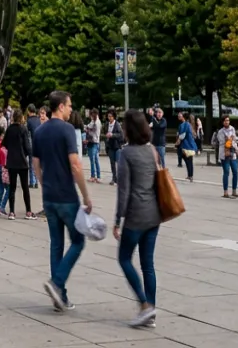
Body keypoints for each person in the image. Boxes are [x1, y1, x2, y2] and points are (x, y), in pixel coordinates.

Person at [32, 90, 93, 312]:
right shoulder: (67, 130)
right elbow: (75, 164)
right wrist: (86, 195)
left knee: (56, 244)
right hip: (67, 195)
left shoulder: (40, 131)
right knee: (78, 241)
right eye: (69, 106)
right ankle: (57, 283)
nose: (70, 110)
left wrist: (43, 183)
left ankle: (61, 298)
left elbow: (35, 163)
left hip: (49, 196)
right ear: (60, 107)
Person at [113, 109, 161, 329]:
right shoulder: (152, 151)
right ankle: (150, 310)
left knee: (124, 258)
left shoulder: (126, 154)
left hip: (136, 216)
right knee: (147, 264)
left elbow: (124, 191)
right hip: (154, 215)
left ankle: (144, 305)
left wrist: (116, 221)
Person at [3, 111, 34, 220]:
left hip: (11, 162)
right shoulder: (23, 129)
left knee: (12, 188)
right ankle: (28, 211)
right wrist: (27, 154)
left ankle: (12, 212)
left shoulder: (9, 129)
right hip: (22, 162)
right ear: (21, 118)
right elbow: (27, 146)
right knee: (25, 187)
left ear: (13, 118)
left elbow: (5, 143)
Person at [213, 115, 238, 197]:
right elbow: (222, 141)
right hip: (224, 153)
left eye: (228, 120)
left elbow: (234, 140)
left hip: (232, 152)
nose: (227, 122)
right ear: (222, 122)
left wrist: (236, 148)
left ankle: (234, 191)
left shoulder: (232, 129)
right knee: (226, 172)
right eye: (225, 121)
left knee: (235, 171)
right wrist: (229, 139)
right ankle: (225, 192)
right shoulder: (220, 131)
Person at [26, 107, 46, 189]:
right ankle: (37, 182)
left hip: (32, 144)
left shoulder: (29, 121)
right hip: (39, 143)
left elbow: (27, 134)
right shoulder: (38, 120)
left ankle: (32, 182)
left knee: (31, 164)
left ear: (29, 111)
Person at [176, 111, 197, 182]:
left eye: (180, 115)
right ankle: (190, 175)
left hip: (186, 145)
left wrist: (177, 142)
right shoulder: (188, 124)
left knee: (187, 160)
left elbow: (182, 135)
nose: (179, 116)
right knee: (189, 161)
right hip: (189, 145)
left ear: (183, 117)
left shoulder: (184, 124)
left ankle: (190, 175)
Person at [105, 109, 124, 185]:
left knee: (118, 163)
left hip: (117, 146)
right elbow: (105, 133)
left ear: (114, 117)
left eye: (111, 116)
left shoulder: (117, 124)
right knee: (112, 163)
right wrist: (107, 136)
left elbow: (121, 135)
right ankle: (114, 178)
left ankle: (120, 179)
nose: (109, 118)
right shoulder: (106, 124)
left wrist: (112, 135)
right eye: (108, 116)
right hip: (110, 146)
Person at [84, 110, 102, 183]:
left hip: (93, 142)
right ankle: (98, 176)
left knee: (92, 160)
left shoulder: (95, 122)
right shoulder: (97, 121)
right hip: (96, 142)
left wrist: (87, 129)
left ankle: (93, 176)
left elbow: (89, 129)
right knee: (96, 160)